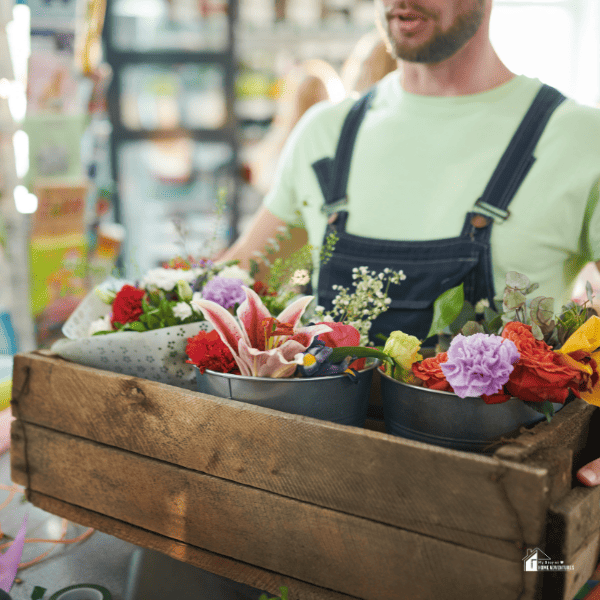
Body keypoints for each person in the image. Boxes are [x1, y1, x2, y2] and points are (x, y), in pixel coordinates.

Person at [222, 0, 600, 484]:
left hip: (493, 507)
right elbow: (238, 278)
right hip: (309, 486)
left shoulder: (580, 139)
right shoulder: (325, 134)